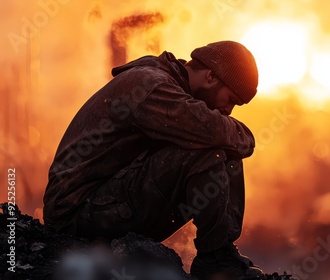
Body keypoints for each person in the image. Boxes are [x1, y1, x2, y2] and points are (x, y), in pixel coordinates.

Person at [43, 40, 265, 279]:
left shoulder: (170, 88)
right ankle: (214, 260)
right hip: (76, 214)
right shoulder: (150, 85)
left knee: (223, 148)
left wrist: (238, 138)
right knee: (209, 150)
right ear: (210, 77)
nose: (229, 109)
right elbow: (212, 130)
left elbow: (221, 133)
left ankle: (221, 251)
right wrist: (244, 137)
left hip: (105, 204)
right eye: (231, 99)